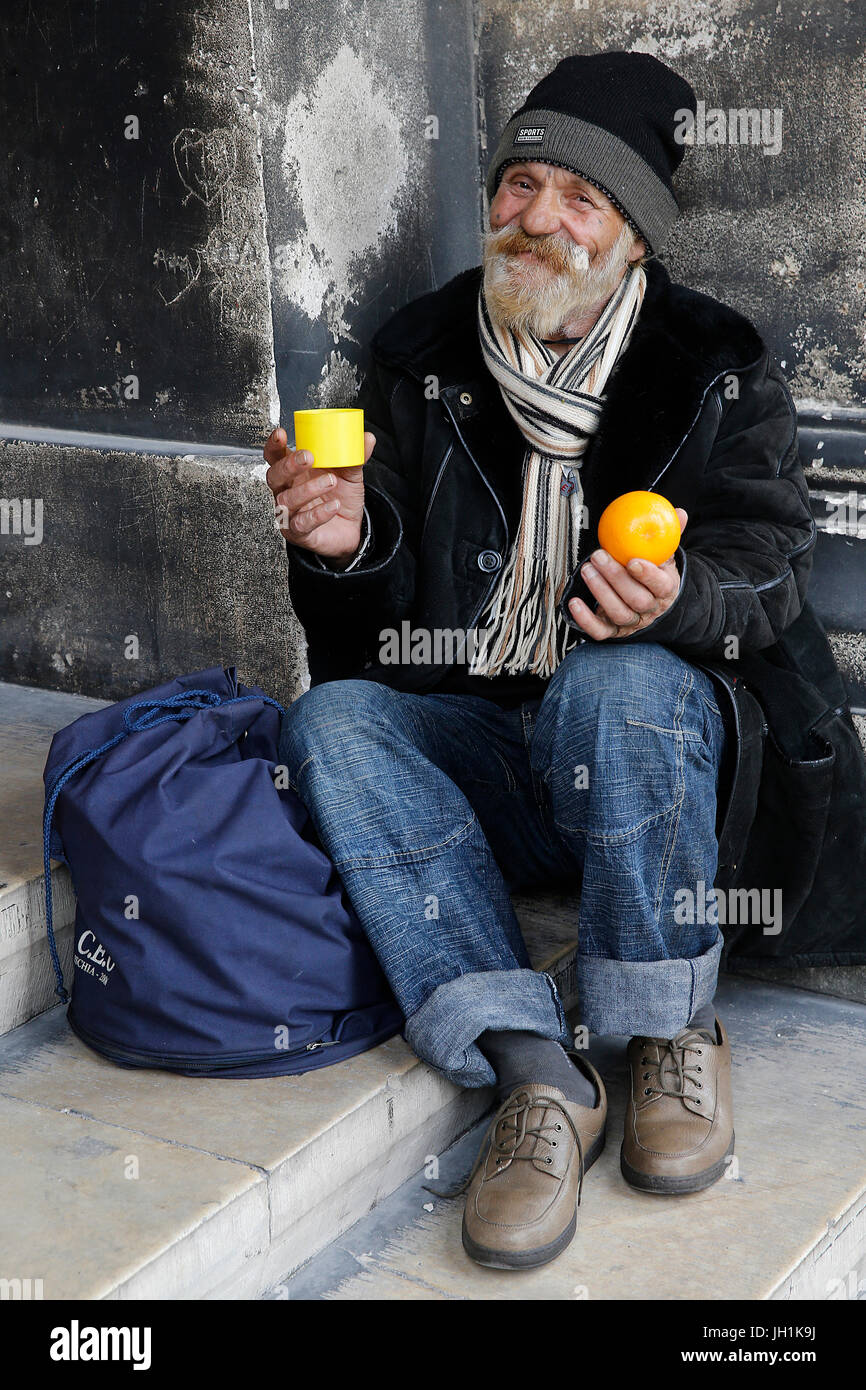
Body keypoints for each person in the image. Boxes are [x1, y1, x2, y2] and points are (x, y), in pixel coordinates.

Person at [264, 51, 866, 1270]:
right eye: (519, 183)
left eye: (579, 198)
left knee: (622, 675)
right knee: (328, 727)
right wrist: (345, 542)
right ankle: (537, 1071)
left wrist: (680, 596)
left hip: (653, 754)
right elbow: (360, 640)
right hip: (491, 746)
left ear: (634, 236)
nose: (537, 219)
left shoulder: (714, 365)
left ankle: (665, 1031)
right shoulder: (419, 349)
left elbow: (772, 558)